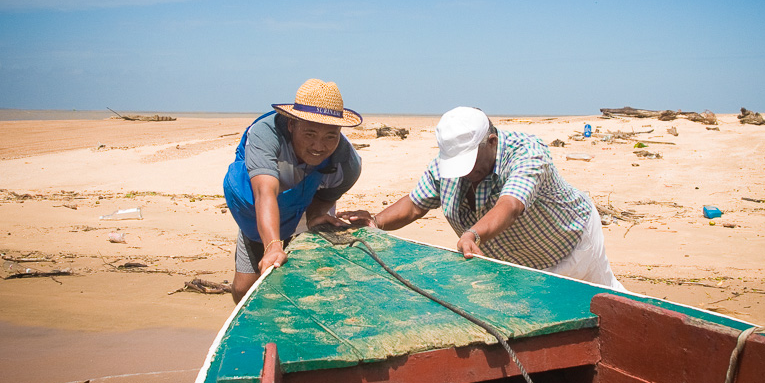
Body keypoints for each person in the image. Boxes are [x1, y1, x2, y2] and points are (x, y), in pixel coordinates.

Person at [339, 106, 624, 289]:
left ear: (492, 142)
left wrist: (473, 233)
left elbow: (510, 205)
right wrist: (375, 222)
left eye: (470, 163)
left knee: (611, 309)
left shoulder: (528, 152)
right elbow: (415, 204)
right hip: (517, 271)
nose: (464, 173)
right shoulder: (446, 164)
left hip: (574, 249)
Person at [224, 79, 362, 303]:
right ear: (291, 124)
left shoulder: (348, 164)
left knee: (305, 287)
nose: (319, 146)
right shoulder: (265, 134)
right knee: (243, 291)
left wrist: (315, 216)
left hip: (301, 209)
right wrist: (273, 246)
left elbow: (327, 195)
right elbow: (263, 192)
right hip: (258, 212)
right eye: (310, 134)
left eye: (330, 136)